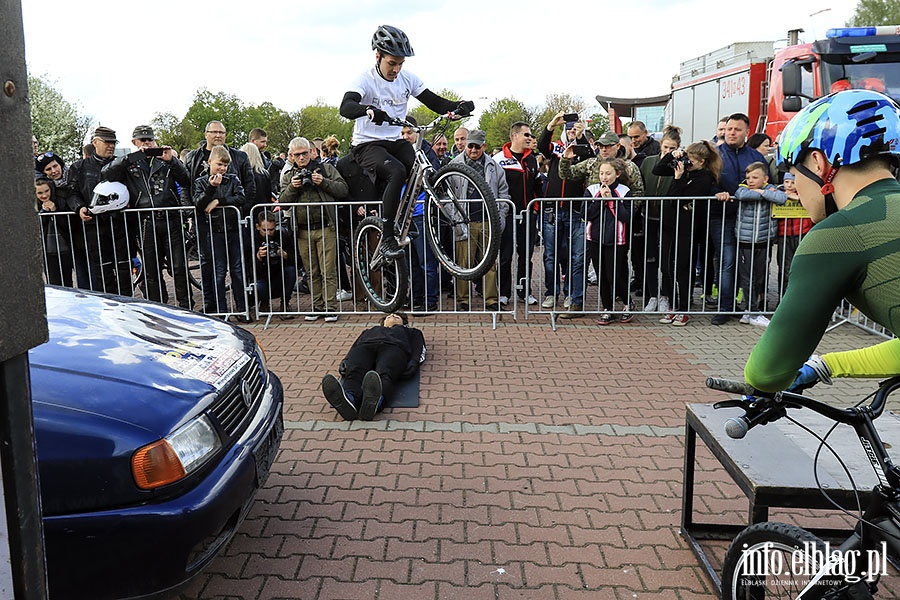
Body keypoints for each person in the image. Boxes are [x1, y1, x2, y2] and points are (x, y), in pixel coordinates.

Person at [744, 89, 900, 393]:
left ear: (818, 163)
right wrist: (828, 365)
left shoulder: (839, 233)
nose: (795, 187)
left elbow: (766, 373)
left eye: (792, 171)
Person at [338, 25, 473, 260]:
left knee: (421, 170)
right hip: (367, 144)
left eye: (401, 64)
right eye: (392, 63)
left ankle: (403, 220)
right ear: (378, 56)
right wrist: (367, 110)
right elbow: (346, 107)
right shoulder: (365, 80)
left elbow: (435, 102)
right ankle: (388, 236)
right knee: (397, 171)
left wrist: (458, 106)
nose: (396, 69)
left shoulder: (407, 79)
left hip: (394, 140)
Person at [102, 125, 193, 308]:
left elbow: (186, 180)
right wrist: (135, 156)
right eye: (143, 140)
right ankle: (159, 305)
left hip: (170, 219)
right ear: (135, 142)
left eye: (150, 139)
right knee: (151, 268)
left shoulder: (165, 160)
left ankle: (186, 305)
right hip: (145, 222)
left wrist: (173, 161)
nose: (147, 143)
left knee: (178, 266)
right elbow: (106, 172)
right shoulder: (130, 162)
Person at [653, 139, 723, 327]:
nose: (687, 162)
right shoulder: (681, 167)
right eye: (686, 157)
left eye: (691, 159)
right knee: (666, 267)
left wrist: (679, 178)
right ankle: (672, 307)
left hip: (686, 227)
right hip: (668, 224)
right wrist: (671, 155)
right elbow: (657, 170)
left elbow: (678, 197)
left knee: (682, 268)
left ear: (701, 162)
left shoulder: (705, 177)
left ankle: (683, 309)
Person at [279, 137, 348, 322]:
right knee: (311, 271)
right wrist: (293, 188)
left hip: (326, 227)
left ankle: (330, 307)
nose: (301, 158)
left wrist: (323, 182)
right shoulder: (288, 176)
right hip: (302, 230)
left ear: (311, 152)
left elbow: (343, 190)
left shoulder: (325, 169)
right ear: (291, 156)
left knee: (328, 270)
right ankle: (317, 306)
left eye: (304, 153)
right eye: (297, 155)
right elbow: (283, 203)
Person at [709, 113, 766, 325]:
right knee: (728, 261)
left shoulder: (756, 157)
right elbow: (706, 182)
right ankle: (725, 307)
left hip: (751, 217)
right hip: (722, 216)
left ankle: (748, 306)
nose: (732, 133)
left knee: (749, 264)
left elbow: (766, 183)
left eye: (737, 129)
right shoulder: (715, 155)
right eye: (729, 129)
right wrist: (715, 193)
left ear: (747, 132)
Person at [321, 312, 426, 421]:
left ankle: (376, 401)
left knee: (385, 372)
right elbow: (356, 345)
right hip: (366, 346)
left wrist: (414, 362)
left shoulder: (411, 332)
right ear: (383, 321)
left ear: (404, 323)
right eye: (389, 316)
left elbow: (419, 348)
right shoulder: (369, 331)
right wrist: (347, 359)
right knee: (355, 371)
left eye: (397, 316)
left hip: (394, 348)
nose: (392, 316)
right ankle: (349, 399)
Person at [67, 126, 133, 296]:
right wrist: (79, 208)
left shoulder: (122, 164)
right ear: (95, 142)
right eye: (107, 142)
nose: (111, 146)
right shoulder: (79, 167)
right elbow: (72, 193)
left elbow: (133, 189)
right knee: (102, 273)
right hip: (94, 227)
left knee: (124, 270)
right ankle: (109, 310)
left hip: (120, 225)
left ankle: (128, 307)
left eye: (113, 142)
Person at [449, 129, 510, 312]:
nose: (473, 150)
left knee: (490, 263)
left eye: (477, 146)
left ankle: (491, 299)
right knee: (464, 263)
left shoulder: (494, 167)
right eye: (470, 146)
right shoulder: (454, 165)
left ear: (484, 146)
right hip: (464, 221)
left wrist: (500, 218)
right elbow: (445, 194)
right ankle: (463, 300)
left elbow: (503, 194)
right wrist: (454, 215)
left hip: (488, 221)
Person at [536, 112, 589, 316]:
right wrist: (550, 126)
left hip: (575, 211)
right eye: (568, 130)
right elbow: (542, 146)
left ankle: (570, 294)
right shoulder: (556, 148)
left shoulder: (583, 149)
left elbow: (590, 159)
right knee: (550, 255)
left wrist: (581, 137)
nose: (571, 132)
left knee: (573, 256)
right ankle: (552, 292)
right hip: (552, 210)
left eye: (574, 129)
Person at [192, 145, 248, 320]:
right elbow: (198, 204)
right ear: (210, 162)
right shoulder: (200, 181)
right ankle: (222, 311)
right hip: (214, 232)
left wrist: (219, 200)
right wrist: (210, 188)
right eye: (219, 165)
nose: (222, 169)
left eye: (225, 165)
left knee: (237, 270)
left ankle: (242, 309)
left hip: (232, 230)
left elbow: (241, 197)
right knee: (219, 271)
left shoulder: (233, 179)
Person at [495, 121, 543, 306]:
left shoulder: (532, 159)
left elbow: (538, 186)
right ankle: (504, 292)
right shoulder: (499, 159)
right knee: (505, 255)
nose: (530, 138)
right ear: (514, 136)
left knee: (526, 255)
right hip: (506, 216)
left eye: (530, 135)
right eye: (526, 135)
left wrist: (536, 209)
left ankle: (525, 291)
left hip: (528, 216)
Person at [734, 161, 787, 327]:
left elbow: (781, 198)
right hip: (745, 240)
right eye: (748, 177)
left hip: (764, 241)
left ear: (765, 178)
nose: (750, 180)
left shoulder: (773, 189)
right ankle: (751, 311)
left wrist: (762, 191)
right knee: (747, 277)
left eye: (754, 177)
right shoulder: (743, 188)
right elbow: (742, 195)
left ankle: (751, 310)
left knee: (759, 277)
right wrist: (762, 192)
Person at [583, 158, 633, 325]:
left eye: (608, 173)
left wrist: (611, 200)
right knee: (601, 274)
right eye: (602, 173)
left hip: (616, 239)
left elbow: (626, 216)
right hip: (595, 238)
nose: (604, 177)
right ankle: (607, 308)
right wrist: (599, 201)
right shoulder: (592, 190)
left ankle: (627, 303)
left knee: (615, 274)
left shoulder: (624, 191)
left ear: (617, 174)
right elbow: (586, 214)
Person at [640, 125, 680, 315]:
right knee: (649, 257)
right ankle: (652, 296)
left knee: (666, 259)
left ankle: (665, 295)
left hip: (668, 218)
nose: (667, 152)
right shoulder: (648, 162)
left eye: (672, 148)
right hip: (648, 216)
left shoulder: (678, 166)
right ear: (660, 145)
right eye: (665, 147)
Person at [773, 172, 812, 300]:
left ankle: (800, 299)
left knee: (801, 268)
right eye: (786, 182)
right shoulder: (778, 193)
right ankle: (783, 298)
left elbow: (812, 202)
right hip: (784, 234)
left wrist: (796, 197)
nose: (789, 185)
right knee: (785, 268)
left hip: (802, 232)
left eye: (793, 182)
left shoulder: (806, 193)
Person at [252, 210, 297, 316]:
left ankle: (285, 303)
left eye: (271, 230)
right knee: (258, 286)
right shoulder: (252, 240)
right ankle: (264, 302)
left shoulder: (282, 236)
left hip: (279, 276)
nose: (268, 233)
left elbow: (297, 262)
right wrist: (258, 257)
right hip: (262, 278)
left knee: (291, 271)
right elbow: (248, 268)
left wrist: (284, 254)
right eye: (265, 230)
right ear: (257, 226)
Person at [35, 175, 73, 287]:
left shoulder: (61, 201)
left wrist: (55, 211)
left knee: (67, 281)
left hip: (65, 248)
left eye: (47, 191)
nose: (44, 195)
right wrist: (44, 213)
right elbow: (38, 228)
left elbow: (67, 225)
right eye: (40, 193)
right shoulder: (34, 206)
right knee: (54, 282)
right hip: (48, 250)